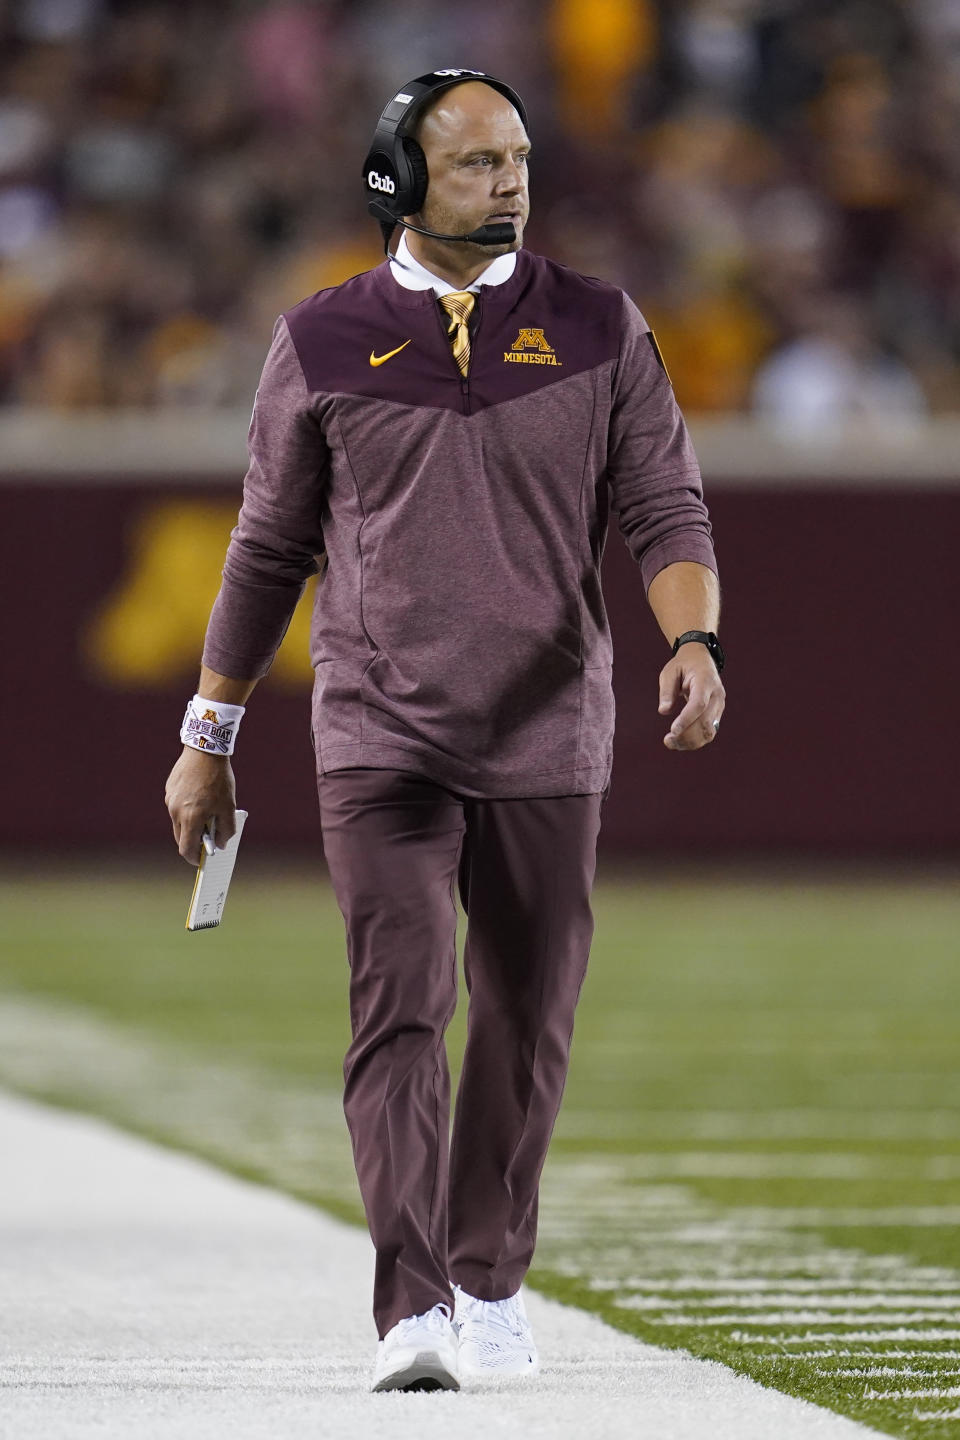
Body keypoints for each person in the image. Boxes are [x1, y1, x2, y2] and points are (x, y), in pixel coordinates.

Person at [164, 68, 725, 1394]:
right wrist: (211, 731)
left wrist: (694, 639)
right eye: (476, 163)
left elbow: (665, 502)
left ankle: (489, 1278)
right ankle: (412, 1308)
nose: (511, 180)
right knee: (400, 1009)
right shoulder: (321, 338)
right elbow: (266, 552)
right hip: (382, 731)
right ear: (400, 183)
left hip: (548, 731)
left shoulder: (597, 324)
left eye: (518, 157)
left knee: (526, 1017)